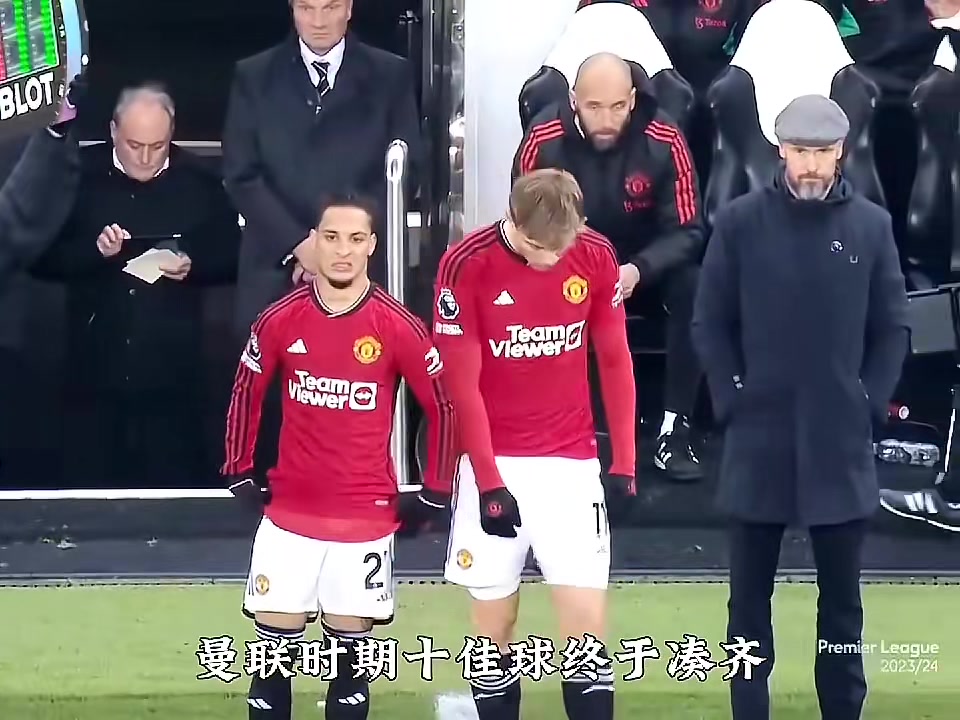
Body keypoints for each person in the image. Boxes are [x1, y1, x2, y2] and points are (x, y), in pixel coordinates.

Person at [691, 95, 909, 720]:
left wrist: (868, 401)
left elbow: (893, 327)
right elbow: (709, 322)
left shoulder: (871, 226)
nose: (811, 164)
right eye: (800, 151)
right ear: (780, 150)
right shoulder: (739, 223)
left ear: (841, 152)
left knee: (842, 608)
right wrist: (732, 396)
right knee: (746, 609)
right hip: (757, 434)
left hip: (839, 436)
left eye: (822, 151)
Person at [222, 193, 457, 720]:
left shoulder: (397, 325)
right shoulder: (280, 318)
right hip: (290, 517)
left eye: (355, 239)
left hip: (364, 520)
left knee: (350, 670)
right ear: (314, 242)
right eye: (331, 238)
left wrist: (437, 490)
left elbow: (444, 405)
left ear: (372, 245)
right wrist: (238, 469)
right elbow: (246, 390)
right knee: (270, 667)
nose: (343, 251)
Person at [434, 169, 636, 720]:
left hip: (571, 466)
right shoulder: (466, 264)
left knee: (586, 634)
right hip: (495, 462)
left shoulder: (595, 255)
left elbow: (614, 359)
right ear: (513, 221)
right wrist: (489, 483)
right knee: (493, 628)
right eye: (537, 247)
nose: (551, 258)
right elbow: (462, 385)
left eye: (560, 246)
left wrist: (624, 463)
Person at [29, 83, 240, 487]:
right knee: (88, 495)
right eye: (134, 145)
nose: (145, 157)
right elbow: (39, 258)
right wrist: (94, 252)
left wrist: (194, 264)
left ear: (172, 134)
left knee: (173, 493)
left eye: (157, 146)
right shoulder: (76, 176)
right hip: (91, 378)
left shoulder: (202, 182)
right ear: (113, 131)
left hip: (173, 380)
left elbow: (234, 256)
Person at [513, 52, 705, 481]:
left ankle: (675, 430)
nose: (606, 120)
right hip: (570, 266)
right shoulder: (544, 138)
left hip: (642, 270)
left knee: (694, 287)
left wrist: (638, 270)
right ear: (574, 100)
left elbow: (689, 230)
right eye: (594, 107)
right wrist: (576, 266)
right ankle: (557, 422)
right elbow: (527, 224)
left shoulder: (664, 137)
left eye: (617, 107)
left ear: (632, 99)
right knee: (526, 280)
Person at [222, 0, 422, 338]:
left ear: (349, 8)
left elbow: (406, 170)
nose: (317, 21)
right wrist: (301, 245)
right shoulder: (253, 77)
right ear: (292, 9)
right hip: (274, 271)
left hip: (361, 272)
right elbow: (240, 175)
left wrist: (338, 246)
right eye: (306, 8)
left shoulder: (390, 75)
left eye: (329, 8)